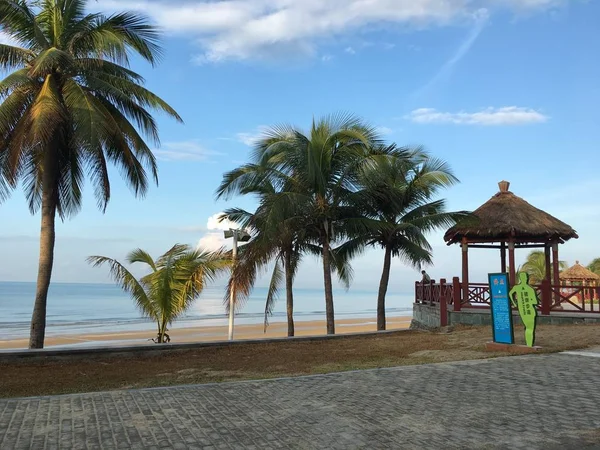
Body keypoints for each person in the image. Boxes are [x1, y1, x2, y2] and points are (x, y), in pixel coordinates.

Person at [509, 272, 539, 347]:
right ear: (527, 279)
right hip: (530, 310)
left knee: (527, 327)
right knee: (530, 328)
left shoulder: (516, 288)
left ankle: (529, 344)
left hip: (522, 310)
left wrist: (514, 303)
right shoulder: (530, 289)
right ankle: (529, 345)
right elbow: (535, 301)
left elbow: (510, 294)